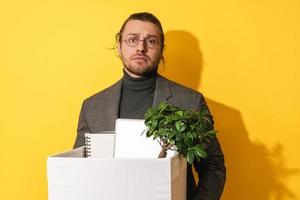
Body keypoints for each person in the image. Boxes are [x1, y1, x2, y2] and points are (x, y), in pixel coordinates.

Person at [73, 12, 226, 200]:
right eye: (132, 39)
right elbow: (78, 170)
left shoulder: (190, 102)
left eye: (151, 41)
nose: (141, 47)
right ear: (119, 46)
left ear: (161, 50)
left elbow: (213, 167)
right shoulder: (92, 106)